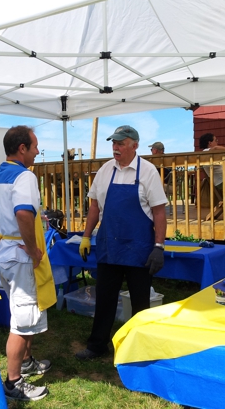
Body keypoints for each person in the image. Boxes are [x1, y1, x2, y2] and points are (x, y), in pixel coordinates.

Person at [75, 125, 168, 360]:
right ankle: (97, 345)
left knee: (140, 302)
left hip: (139, 248)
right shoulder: (105, 170)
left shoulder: (148, 172)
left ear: (134, 146)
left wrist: (159, 247)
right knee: (105, 298)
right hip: (110, 246)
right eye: (114, 143)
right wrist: (86, 235)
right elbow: (94, 206)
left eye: (121, 143)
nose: (115, 148)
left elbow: (158, 212)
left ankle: (141, 348)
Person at [0, 125, 56, 401]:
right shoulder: (24, 176)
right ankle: (13, 382)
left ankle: (25, 362)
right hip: (20, 253)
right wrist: (34, 249)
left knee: (20, 310)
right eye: (35, 146)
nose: (38, 151)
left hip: (3, 251)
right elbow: (24, 214)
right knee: (22, 319)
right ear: (22, 148)